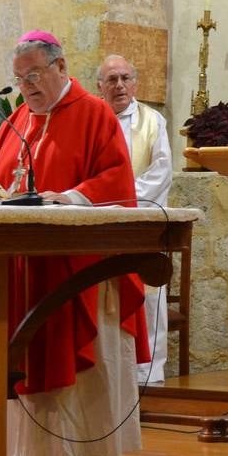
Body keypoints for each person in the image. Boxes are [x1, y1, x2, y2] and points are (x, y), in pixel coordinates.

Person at [0, 31, 149, 456]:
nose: (27, 85)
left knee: (73, 363)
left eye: (34, 74)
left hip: (78, 268)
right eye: (20, 78)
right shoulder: (16, 121)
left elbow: (117, 177)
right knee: (28, 358)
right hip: (27, 266)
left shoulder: (94, 114)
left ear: (60, 67)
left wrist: (70, 197)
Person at [96, 54, 174, 386]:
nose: (119, 85)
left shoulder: (153, 121)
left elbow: (161, 173)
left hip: (140, 224)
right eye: (111, 80)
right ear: (99, 87)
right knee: (103, 296)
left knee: (148, 294)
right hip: (99, 226)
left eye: (125, 78)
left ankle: (148, 374)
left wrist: (121, 200)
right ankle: (108, 372)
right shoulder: (92, 122)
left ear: (135, 83)